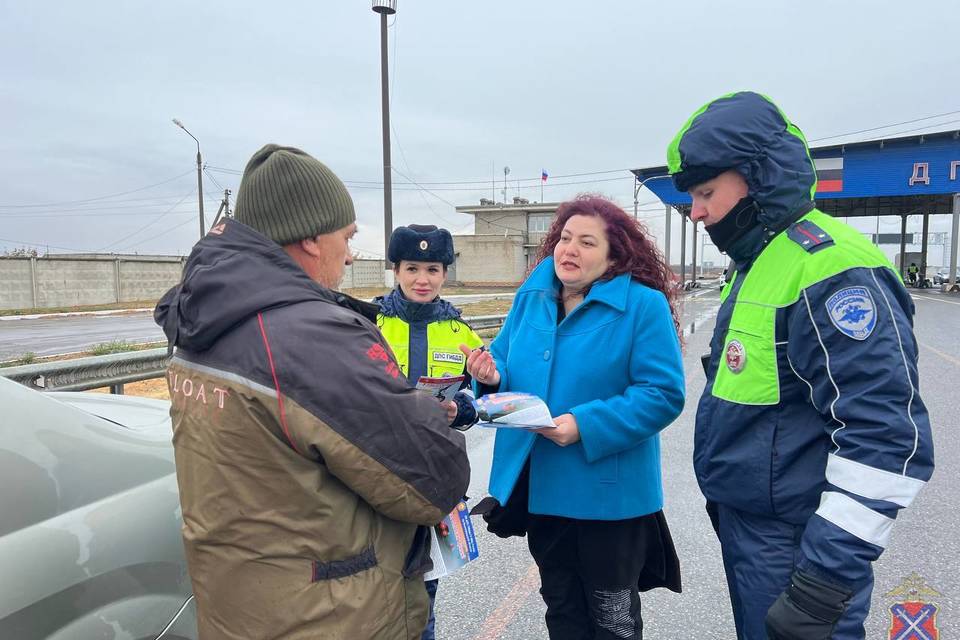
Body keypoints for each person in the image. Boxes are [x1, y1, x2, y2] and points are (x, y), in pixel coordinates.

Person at [154, 144, 470, 640]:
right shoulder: (310, 337)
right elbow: (434, 478)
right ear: (309, 239)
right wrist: (424, 413)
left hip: (243, 604)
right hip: (328, 614)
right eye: (346, 237)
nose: (350, 252)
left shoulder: (204, 314)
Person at [667, 92, 935, 639]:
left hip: (802, 549)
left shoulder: (832, 269)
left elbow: (885, 437)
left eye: (705, 193)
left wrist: (823, 582)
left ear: (758, 177)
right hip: (757, 535)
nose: (696, 213)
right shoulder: (760, 262)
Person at [463, 195, 685, 640]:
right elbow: (502, 365)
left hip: (610, 497)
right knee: (562, 611)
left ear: (613, 255)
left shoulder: (643, 306)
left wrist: (584, 424)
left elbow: (662, 394)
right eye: (565, 238)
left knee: (613, 621)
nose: (570, 250)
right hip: (544, 489)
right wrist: (487, 376)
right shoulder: (532, 299)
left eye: (587, 242)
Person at [375, 223, 484, 640]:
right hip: (376, 475)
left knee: (423, 595)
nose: (423, 279)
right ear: (396, 270)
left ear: (445, 272)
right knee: (375, 591)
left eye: (433, 269)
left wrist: (461, 408)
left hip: (435, 480)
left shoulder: (461, 333)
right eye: (413, 268)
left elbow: (477, 404)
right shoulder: (369, 325)